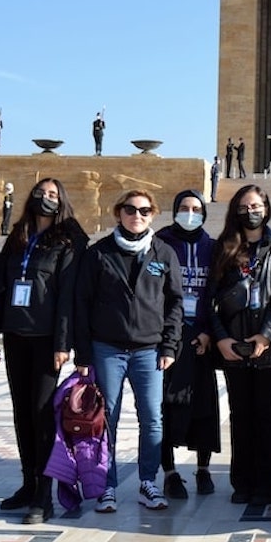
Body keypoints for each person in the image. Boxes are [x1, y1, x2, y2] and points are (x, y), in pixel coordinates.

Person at [0, 178, 87, 524]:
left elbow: (69, 295)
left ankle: (44, 493)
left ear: (62, 201)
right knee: (22, 411)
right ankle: (28, 483)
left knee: (42, 414)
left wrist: (62, 342)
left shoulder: (68, 240)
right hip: (16, 333)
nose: (46, 198)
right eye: (41, 193)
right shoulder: (18, 237)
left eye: (54, 194)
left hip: (46, 339)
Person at [74, 190, 183, 513]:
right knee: (107, 419)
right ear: (118, 213)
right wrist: (83, 354)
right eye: (130, 209)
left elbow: (176, 302)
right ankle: (106, 484)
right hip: (107, 348)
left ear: (153, 215)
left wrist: (170, 344)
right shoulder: (99, 253)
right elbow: (81, 303)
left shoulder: (163, 252)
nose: (137, 215)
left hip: (149, 350)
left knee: (152, 418)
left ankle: (148, 481)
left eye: (145, 210)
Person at [209, 184, 271, 505]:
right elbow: (211, 298)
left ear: (266, 208)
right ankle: (242, 481)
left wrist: (266, 335)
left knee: (267, 413)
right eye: (245, 206)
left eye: (256, 205)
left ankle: (270, 483)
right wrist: (221, 337)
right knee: (240, 414)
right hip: (234, 344)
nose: (251, 212)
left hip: (270, 347)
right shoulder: (225, 247)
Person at [154, 191, 220, 500]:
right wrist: (171, 333)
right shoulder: (160, 244)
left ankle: (203, 469)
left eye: (196, 209)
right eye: (183, 208)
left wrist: (208, 332)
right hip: (168, 340)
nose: (190, 213)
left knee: (204, 405)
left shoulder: (213, 247)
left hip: (202, 341)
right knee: (167, 406)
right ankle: (169, 472)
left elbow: (217, 294)